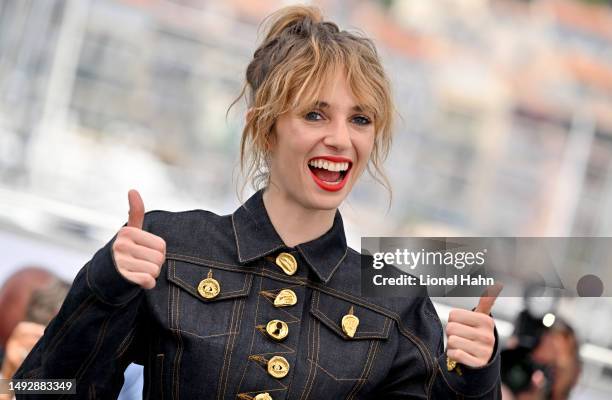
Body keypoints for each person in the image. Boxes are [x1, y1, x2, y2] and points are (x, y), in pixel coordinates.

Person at [15, 5, 502, 399]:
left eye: (360, 120)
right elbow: (41, 387)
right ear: (265, 128)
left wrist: (475, 379)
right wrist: (105, 286)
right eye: (315, 114)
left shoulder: (399, 305)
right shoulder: (167, 246)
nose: (340, 139)